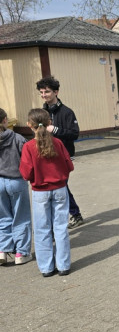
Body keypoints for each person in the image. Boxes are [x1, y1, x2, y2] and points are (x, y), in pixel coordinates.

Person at [19, 108, 74, 277]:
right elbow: (69, 166)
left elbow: (26, 173)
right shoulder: (57, 143)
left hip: (40, 191)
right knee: (60, 228)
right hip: (59, 188)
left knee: (42, 229)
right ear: (50, 123)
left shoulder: (28, 147)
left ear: (30, 125)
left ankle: (46, 268)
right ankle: (63, 265)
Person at [36, 76, 83, 228]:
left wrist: (55, 130)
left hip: (63, 156)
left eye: (47, 92)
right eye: (41, 92)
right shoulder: (41, 112)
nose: (44, 95)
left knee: (61, 186)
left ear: (56, 92)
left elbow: (74, 134)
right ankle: (74, 214)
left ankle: (71, 216)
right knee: (58, 187)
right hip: (46, 156)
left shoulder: (67, 112)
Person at [0, 108, 33, 265]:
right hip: (17, 180)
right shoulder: (18, 138)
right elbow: (27, 161)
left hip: (0, 182)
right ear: (5, 120)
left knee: (3, 217)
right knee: (21, 217)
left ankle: (2, 250)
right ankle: (21, 252)